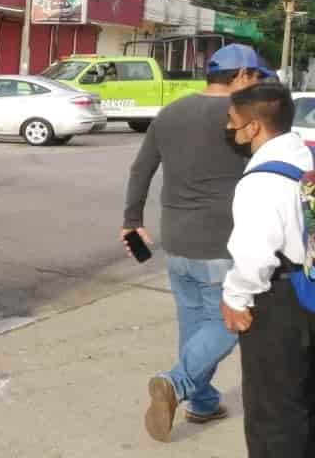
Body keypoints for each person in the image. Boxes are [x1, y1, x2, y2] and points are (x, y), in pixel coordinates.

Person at [123, 43, 268, 442]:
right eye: (255, 77)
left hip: (177, 241)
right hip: (223, 243)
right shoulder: (242, 117)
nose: (257, 86)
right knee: (233, 320)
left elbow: (141, 169)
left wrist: (131, 221)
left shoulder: (170, 113)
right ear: (239, 76)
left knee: (195, 325)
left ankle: (202, 403)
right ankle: (175, 382)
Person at [219, 83, 315, 458]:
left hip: (280, 304)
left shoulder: (260, 180)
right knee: (307, 403)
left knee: (274, 414)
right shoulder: (305, 158)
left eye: (232, 121)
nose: (230, 129)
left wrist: (235, 298)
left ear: (254, 127)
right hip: (310, 287)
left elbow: (254, 256)